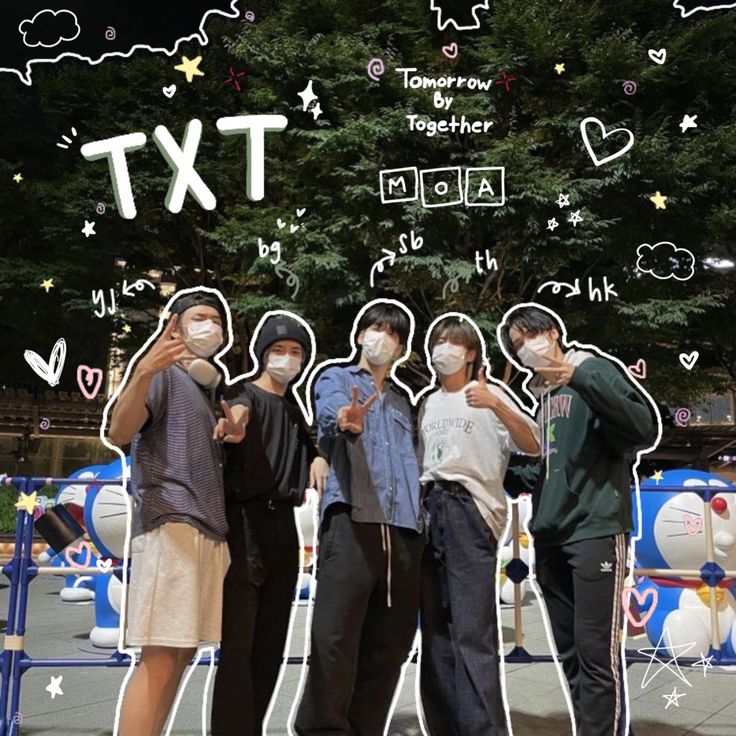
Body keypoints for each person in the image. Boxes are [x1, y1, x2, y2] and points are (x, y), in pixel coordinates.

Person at [500, 305, 658, 736]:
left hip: (595, 529)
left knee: (596, 654)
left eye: (527, 338)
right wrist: (497, 465)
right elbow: (542, 471)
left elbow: (641, 428)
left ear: (551, 332)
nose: (524, 349)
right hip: (550, 536)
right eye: (516, 346)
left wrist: (580, 378)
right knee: (570, 655)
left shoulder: (593, 370)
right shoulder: (544, 398)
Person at [109, 290, 246, 736]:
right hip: (172, 524)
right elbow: (119, 430)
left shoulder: (207, 389)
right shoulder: (163, 374)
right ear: (176, 325)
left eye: (216, 319)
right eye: (200, 317)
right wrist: (145, 369)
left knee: (180, 655)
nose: (210, 326)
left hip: (207, 528)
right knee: (162, 656)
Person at [294, 301, 425, 736]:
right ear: (359, 335)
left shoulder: (404, 401)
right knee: (335, 639)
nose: (381, 338)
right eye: (374, 329)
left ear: (401, 347)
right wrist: (344, 420)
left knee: (390, 645)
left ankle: (365, 728)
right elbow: (332, 415)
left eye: (391, 333)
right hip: (352, 521)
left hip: (404, 531)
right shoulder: (335, 378)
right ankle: (323, 730)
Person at [418, 315, 540, 736]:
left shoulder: (489, 393)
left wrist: (497, 404)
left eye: (452, 342)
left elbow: (534, 444)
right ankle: (444, 727)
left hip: (470, 508)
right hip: (428, 505)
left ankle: (484, 730)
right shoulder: (428, 402)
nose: (442, 349)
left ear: (470, 353)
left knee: (473, 630)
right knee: (434, 632)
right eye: (437, 340)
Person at [211, 314, 329, 736]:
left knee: (270, 647)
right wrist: (234, 428)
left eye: (296, 352)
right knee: (239, 648)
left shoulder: (294, 407)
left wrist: (317, 456)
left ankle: (253, 728)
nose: (287, 358)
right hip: (244, 524)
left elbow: (311, 447)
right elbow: (236, 417)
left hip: (285, 529)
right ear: (262, 353)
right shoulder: (243, 393)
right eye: (278, 350)